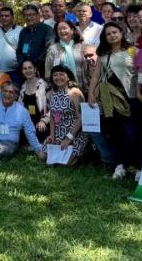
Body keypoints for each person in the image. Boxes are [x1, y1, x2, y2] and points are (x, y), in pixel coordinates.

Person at [88, 21, 136, 180]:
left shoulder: (133, 51)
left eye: (115, 32)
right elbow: (96, 75)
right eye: (108, 34)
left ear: (122, 33)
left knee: (131, 132)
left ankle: (134, 165)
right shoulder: (103, 55)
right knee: (114, 131)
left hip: (130, 96)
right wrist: (91, 93)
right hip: (109, 99)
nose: (112, 35)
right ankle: (119, 164)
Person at [42, 67, 89, 165]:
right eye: (55, 75)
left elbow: (82, 118)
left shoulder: (74, 92)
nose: (58, 77)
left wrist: (68, 138)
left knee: (67, 163)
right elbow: (53, 117)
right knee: (42, 156)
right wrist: (52, 136)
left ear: (68, 77)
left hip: (75, 133)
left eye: (61, 74)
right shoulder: (51, 94)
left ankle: (85, 151)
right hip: (59, 132)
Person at [17, 3, 54, 77]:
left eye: (31, 14)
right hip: (26, 71)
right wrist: (23, 63)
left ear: (38, 15)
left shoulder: (47, 30)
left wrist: (33, 64)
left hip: (42, 70)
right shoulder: (24, 31)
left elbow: (48, 49)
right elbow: (22, 49)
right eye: (26, 15)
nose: (29, 17)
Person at [44, 20, 84, 85]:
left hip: (82, 86)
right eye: (59, 29)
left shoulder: (81, 47)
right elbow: (48, 71)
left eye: (64, 28)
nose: (62, 31)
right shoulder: (53, 49)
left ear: (72, 30)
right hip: (60, 88)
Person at [18, 59, 48, 141]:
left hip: (42, 123)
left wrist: (44, 121)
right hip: (28, 124)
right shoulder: (22, 89)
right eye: (25, 68)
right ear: (22, 71)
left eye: (30, 68)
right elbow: (19, 110)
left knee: (40, 133)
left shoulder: (44, 86)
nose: (28, 70)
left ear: (35, 69)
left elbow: (53, 108)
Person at [0, 7, 22, 84]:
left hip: (16, 71)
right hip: (0, 71)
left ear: (12, 17)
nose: (4, 18)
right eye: (2, 16)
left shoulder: (21, 30)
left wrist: (23, 61)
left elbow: (26, 47)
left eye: (7, 16)